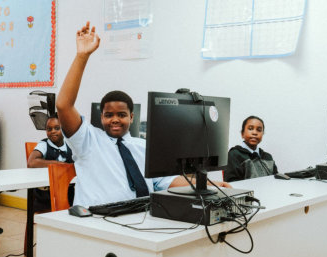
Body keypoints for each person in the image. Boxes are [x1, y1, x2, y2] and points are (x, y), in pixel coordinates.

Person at [56, 22, 231, 208]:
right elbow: (63, 105)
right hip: (98, 217)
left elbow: (164, 182)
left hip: (141, 214)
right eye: (108, 115)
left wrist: (209, 186)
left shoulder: (144, 147)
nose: (115, 119)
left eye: (121, 114)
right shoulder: (87, 140)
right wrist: (82, 56)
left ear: (132, 117)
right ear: (101, 117)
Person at [27, 114, 75, 211]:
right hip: (46, 194)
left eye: (57, 128)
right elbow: (31, 162)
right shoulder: (43, 144)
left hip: (67, 192)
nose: (53, 131)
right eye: (49, 129)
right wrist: (58, 164)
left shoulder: (70, 144)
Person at [224, 116, 278, 182]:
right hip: (247, 192)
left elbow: (276, 179)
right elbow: (232, 183)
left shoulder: (268, 157)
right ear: (242, 134)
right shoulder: (234, 154)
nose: (254, 133)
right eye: (250, 128)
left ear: (262, 134)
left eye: (259, 130)